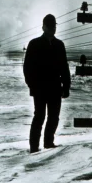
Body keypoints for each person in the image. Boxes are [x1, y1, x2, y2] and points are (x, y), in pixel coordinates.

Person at [23, 14, 71, 153]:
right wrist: (32, 85)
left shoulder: (59, 45)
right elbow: (27, 68)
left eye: (54, 26)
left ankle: (48, 143)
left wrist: (66, 87)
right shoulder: (34, 44)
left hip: (55, 88)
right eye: (50, 26)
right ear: (43, 27)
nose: (52, 29)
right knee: (39, 117)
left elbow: (64, 67)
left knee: (53, 117)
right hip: (40, 88)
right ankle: (34, 147)